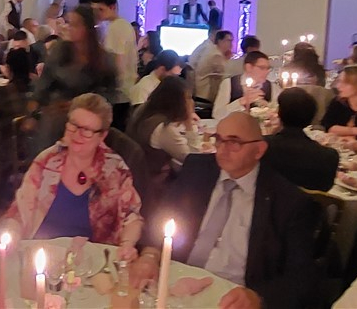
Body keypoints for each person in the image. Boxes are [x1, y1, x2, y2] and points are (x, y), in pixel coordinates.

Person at [131, 112, 320, 306]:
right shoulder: (197, 169)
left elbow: (302, 276)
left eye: (234, 142)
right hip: (176, 281)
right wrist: (149, 256)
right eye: (219, 140)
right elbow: (162, 218)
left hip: (233, 297)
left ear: (259, 150)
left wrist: (258, 297)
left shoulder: (287, 201)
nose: (222, 150)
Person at [4, 93, 142, 255]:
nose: (77, 135)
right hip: (40, 255)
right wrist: (13, 233)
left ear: (102, 136)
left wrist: (127, 245)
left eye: (87, 131)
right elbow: (19, 210)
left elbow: (132, 218)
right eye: (74, 125)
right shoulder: (47, 161)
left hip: (93, 261)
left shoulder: (114, 170)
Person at [33, 5, 119, 106]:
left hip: (89, 111)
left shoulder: (104, 59)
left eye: (75, 25)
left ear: (89, 28)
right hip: (57, 109)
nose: (69, 28)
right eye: (69, 23)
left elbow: (109, 95)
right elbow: (43, 87)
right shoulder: (58, 52)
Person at [261, 87, 339, 191]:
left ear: (280, 114)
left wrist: (271, 134)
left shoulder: (262, 148)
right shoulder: (329, 157)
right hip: (309, 202)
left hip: (270, 200)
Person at [90, 0, 139, 128]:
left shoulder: (116, 28)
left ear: (112, 7)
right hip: (123, 90)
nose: (97, 14)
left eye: (100, 9)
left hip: (118, 92)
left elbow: (117, 62)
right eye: (94, 10)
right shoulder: (121, 25)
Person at [128, 76, 197, 170]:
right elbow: (192, 159)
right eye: (188, 98)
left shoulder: (145, 108)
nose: (192, 102)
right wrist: (188, 123)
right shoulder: (165, 129)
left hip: (138, 166)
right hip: (156, 174)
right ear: (176, 102)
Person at [0, 48, 34, 133]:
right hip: (32, 137)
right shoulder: (38, 89)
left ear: (9, 68)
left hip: (4, 137)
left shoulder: (3, 92)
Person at [213, 50, 274, 120]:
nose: (267, 72)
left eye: (268, 68)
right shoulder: (229, 84)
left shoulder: (272, 87)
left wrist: (267, 107)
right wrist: (241, 102)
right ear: (248, 67)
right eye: (262, 68)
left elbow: (278, 112)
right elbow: (217, 115)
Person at [194, 30, 234, 100]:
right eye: (228, 41)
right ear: (220, 41)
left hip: (201, 89)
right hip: (205, 93)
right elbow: (225, 73)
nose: (231, 44)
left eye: (232, 41)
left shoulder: (213, 50)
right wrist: (227, 59)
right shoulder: (216, 55)